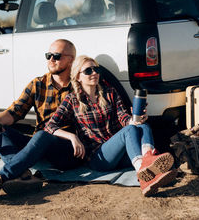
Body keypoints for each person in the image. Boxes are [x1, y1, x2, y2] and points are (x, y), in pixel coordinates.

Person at [44, 55, 177, 197]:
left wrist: (135, 120)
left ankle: (147, 164)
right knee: (130, 130)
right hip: (99, 158)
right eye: (88, 71)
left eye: (96, 69)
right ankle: (143, 169)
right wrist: (72, 137)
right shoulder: (72, 99)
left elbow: (123, 117)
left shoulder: (110, 93)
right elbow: (50, 126)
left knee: (143, 126)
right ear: (78, 76)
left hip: (119, 153)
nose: (94, 73)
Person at [0, 39, 84, 200]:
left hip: (67, 149)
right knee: (1, 129)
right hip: (39, 146)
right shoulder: (38, 84)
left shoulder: (80, 85)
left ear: (71, 60)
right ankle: (24, 176)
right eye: (48, 55)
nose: (51, 60)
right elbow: (14, 112)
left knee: (42, 135)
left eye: (56, 56)